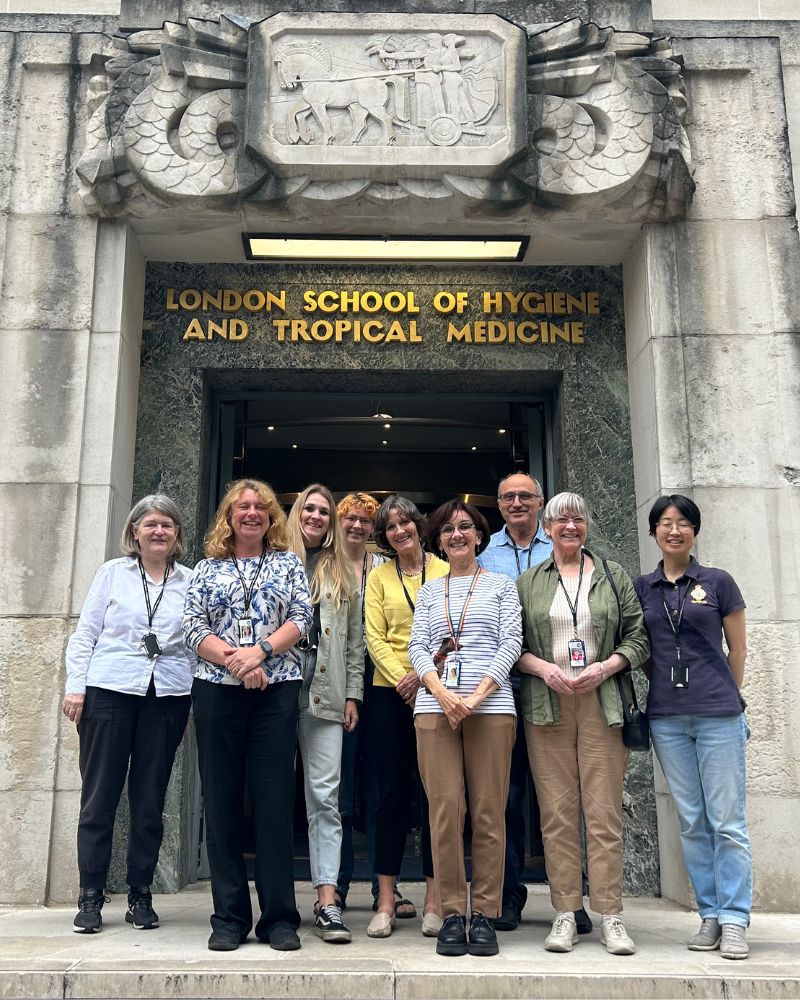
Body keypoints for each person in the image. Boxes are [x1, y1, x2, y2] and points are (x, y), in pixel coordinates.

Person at [516, 492, 649, 955]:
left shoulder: (613, 577)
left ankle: (611, 914)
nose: (569, 526)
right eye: (559, 520)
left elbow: (638, 638)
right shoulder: (529, 581)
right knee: (555, 815)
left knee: (603, 813)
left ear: (586, 526)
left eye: (577, 519)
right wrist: (544, 668)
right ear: (546, 528)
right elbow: (514, 645)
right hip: (547, 704)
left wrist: (606, 667)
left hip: (602, 701)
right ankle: (566, 912)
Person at [183, 479, 313, 953]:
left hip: (276, 691)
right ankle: (229, 917)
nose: (252, 513)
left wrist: (257, 653)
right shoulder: (205, 568)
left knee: (274, 803)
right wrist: (236, 662)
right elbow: (192, 626)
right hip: (218, 691)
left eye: (261, 506)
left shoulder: (287, 563)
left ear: (272, 516)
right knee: (221, 802)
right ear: (229, 515)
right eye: (243, 506)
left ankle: (279, 917)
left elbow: (302, 619)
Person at [63, 495, 194, 935]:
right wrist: (75, 687)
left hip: (168, 695)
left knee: (149, 802)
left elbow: (198, 641)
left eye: (168, 525)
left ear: (178, 535)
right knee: (99, 798)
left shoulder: (190, 581)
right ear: (134, 531)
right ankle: (90, 894)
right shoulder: (112, 574)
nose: (159, 531)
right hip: (109, 690)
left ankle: (141, 893)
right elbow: (86, 634)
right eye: (151, 524)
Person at [635, 495, 751, 960]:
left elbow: (737, 651)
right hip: (667, 718)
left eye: (683, 523)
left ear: (695, 531)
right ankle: (709, 914)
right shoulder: (644, 587)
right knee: (692, 821)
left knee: (727, 822)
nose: (674, 530)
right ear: (654, 533)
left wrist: (726, 694)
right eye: (665, 523)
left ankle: (735, 918)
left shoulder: (718, 582)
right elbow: (643, 652)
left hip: (719, 714)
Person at [409, 500, 522, 957]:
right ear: (438, 541)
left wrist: (473, 698)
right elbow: (418, 647)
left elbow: (511, 641)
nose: (456, 535)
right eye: (448, 530)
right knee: (446, 810)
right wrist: (443, 694)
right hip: (435, 707)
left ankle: (487, 914)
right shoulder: (430, 592)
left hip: (491, 708)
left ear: (480, 536)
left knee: (489, 811)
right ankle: (453, 912)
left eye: (465, 528)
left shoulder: (500, 586)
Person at [477, 472, 580, 933]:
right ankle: (509, 894)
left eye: (525, 496)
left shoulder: (561, 544)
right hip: (503, 690)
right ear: (498, 506)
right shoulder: (484, 557)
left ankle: (571, 901)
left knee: (562, 795)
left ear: (540, 502)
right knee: (508, 796)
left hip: (558, 685)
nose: (517, 503)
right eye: (508, 497)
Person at [364, 496, 448, 938]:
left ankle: (435, 900)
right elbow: (373, 636)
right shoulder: (378, 576)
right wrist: (402, 679)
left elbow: (454, 628)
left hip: (438, 692)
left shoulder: (444, 569)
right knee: (390, 796)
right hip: (388, 693)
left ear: (419, 525)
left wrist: (423, 678)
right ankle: (384, 900)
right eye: (390, 526)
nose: (400, 531)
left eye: (405, 523)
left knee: (437, 795)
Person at [287, 484, 363, 944]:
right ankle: (277, 901)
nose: (316, 516)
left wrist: (352, 694)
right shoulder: (276, 559)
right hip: (276, 693)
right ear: (297, 513)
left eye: (324, 511)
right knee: (275, 799)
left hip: (327, 695)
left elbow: (354, 641)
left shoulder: (341, 571)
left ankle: (327, 901)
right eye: (309, 509)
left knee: (325, 800)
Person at [334, 492, 391, 913]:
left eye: (365, 521)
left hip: (383, 688)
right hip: (339, 689)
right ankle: (336, 883)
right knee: (338, 789)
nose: (357, 525)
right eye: (350, 518)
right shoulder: (323, 567)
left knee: (379, 788)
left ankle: (382, 885)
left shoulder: (385, 569)